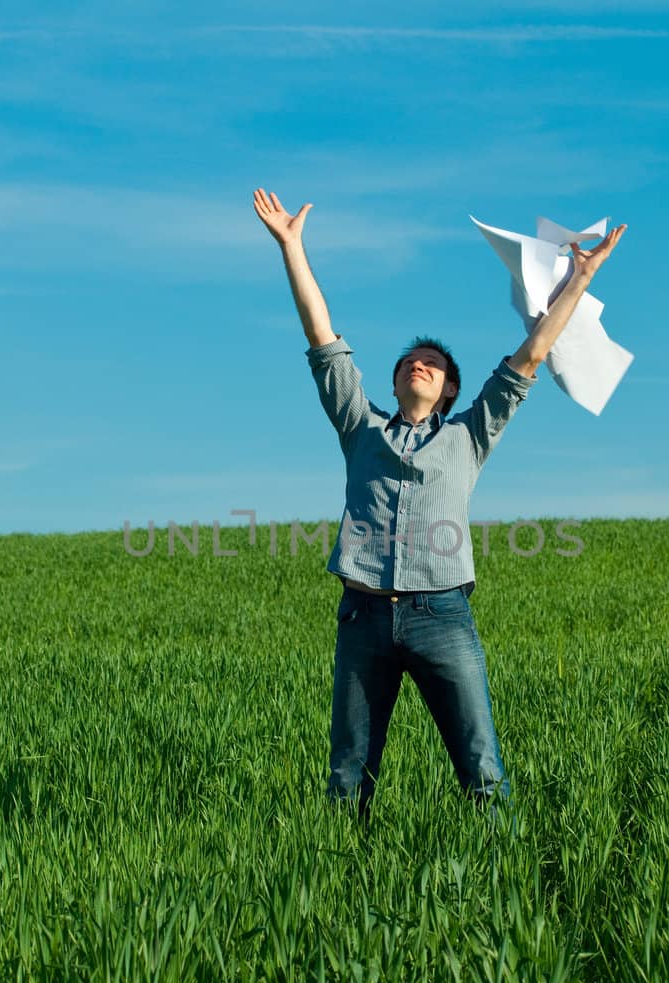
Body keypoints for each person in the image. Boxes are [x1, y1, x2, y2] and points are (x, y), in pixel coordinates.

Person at [252, 188, 624, 822]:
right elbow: (322, 338)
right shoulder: (359, 427)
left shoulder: (469, 435)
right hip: (362, 616)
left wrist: (581, 276)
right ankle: (337, 889)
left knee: (481, 771)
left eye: (432, 364)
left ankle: (500, 891)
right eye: (409, 363)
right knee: (347, 779)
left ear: (449, 388)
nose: (418, 366)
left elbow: (530, 355)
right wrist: (292, 246)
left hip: (442, 613)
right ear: (394, 382)